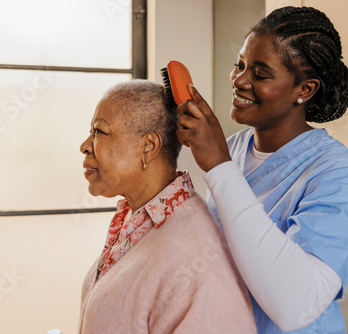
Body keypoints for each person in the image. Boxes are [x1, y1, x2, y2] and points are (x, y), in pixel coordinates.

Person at [176, 6, 348, 334]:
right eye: (239, 65)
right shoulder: (234, 148)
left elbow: (296, 306)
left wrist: (218, 166)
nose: (239, 81)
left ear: (305, 89)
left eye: (260, 73)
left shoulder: (340, 176)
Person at [78, 80, 256, 334]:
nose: (85, 145)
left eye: (99, 132)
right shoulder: (137, 219)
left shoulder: (195, 256)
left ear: (148, 146)